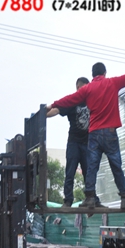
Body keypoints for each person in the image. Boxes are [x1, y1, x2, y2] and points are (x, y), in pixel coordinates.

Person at [48, 62, 125, 210]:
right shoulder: (112, 82)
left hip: (94, 135)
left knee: (91, 167)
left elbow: (69, 99)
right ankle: (124, 198)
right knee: (116, 166)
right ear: (104, 73)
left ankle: (90, 199)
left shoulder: (88, 89)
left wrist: (52, 104)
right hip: (110, 133)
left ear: (92, 75)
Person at [46, 77, 94, 208]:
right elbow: (57, 109)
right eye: (84, 88)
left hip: (87, 143)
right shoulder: (73, 101)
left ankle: (90, 198)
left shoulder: (91, 100)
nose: (86, 90)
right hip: (74, 142)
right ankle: (68, 200)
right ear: (78, 88)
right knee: (70, 172)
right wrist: (44, 114)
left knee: (88, 172)